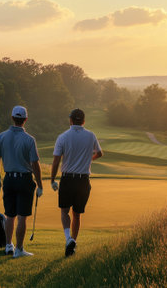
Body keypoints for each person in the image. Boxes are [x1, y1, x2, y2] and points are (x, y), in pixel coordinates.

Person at [51, 108, 103, 257]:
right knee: (77, 214)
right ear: (84, 121)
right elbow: (99, 153)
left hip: (67, 179)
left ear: (71, 120)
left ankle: (68, 239)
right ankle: (72, 244)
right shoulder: (91, 135)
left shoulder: (63, 137)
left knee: (64, 212)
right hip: (83, 181)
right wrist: (89, 160)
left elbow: (56, 161)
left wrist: (53, 179)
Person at [0, 105, 43, 258]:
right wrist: (40, 185)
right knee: (22, 216)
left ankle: (9, 246)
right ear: (25, 119)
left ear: (12, 118)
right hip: (24, 180)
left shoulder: (2, 136)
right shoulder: (29, 139)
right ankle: (19, 249)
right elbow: (35, 164)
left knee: (10, 215)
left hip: (8, 179)